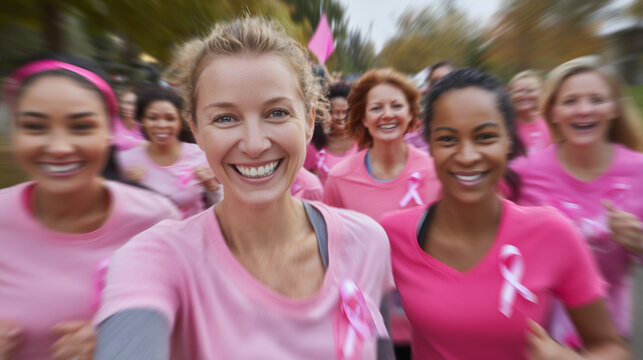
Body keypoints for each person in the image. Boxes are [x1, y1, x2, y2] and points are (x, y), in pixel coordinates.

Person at [94, 17, 394, 359]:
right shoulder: (155, 258)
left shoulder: (367, 242)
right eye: (225, 118)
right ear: (197, 130)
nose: (253, 144)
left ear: (309, 121)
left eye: (277, 113)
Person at [380, 67, 631, 359]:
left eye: (485, 137)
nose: (467, 156)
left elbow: (611, 347)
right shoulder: (392, 234)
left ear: (508, 141)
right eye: (448, 139)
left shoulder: (552, 232)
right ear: (430, 146)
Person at [0, 56, 180, 360]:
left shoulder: (157, 221)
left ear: (110, 133)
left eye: (81, 126)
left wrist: (124, 344)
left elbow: (198, 331)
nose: (59, 147)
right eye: (35, 126)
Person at [511, 56, 643, 346]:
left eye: (597, 100)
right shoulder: (524, 172)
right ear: (553, 112)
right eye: (570, 101)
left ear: (613, 110)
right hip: (537, 334)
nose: (584, 110)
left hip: (607, 335)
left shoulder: (639, 171)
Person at [323, 68, 441, 359]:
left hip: (430, 324)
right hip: (367, 325)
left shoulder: (436, 171)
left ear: (411, 114)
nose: (387, 114)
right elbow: (333, 251)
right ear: (363, 117)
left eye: (396, 106)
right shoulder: (339, 178)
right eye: (376, 108)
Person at [117, 86, 222, 219]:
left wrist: (212, 187)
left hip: (192, 236)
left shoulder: (201, 155)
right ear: (141, 121)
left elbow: (223, 207)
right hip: (146, 238)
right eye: (153, 118)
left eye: (170, 118)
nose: (162, 125)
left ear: (180, 122)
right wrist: (127, 189)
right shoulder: (125, 161)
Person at [304, 82, 358, 184]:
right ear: (327, 113)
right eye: (335, 112)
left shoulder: (362, 141)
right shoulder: (316, 145)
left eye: (345, 112)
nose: (340, 117)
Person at [405, 61, 455, 154]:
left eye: (446, 79)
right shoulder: (420, 128)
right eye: (435, 81)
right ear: (430, 88)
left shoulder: (470, 117)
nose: (440, 85)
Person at [508, 70, 552, 153]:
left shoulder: (550, 119)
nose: (524, 95)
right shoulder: (507, 125)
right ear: (511, 95)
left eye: (530, 91)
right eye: (518, 91)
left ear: (541, 92)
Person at [111, 87, 146, 151]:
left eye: (132, 104)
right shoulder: (112, 121)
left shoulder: (144, 126)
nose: (126, 107)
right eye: (124, 103)